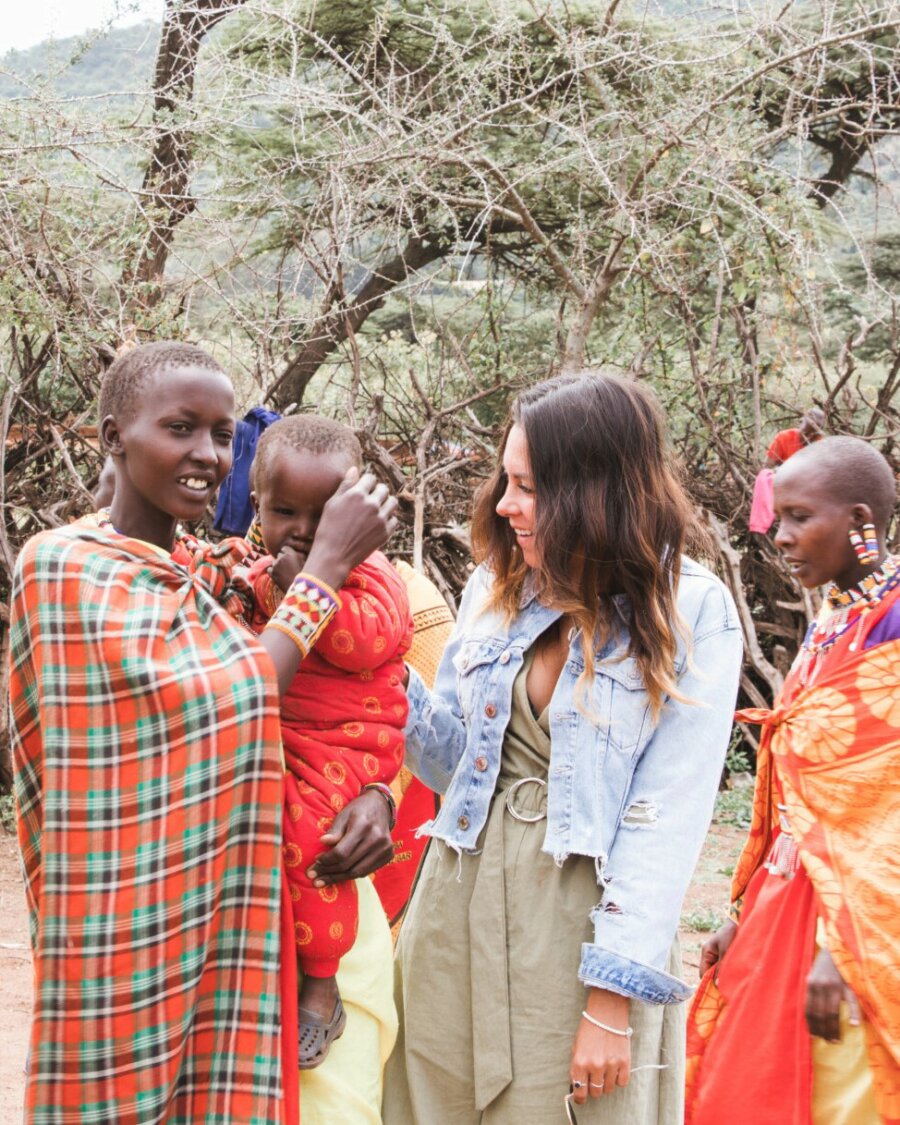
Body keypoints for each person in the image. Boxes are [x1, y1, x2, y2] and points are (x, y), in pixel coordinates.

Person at [9, 341, 399, 1124]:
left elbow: (376, 685)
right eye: (181, 427)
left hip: (259, 913)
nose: (207, 455)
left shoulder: (211, 568)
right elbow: (233, 702)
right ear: (114, 435)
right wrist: (323, 568)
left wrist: (378, 789)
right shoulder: (67, 567)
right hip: (125, 932)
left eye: (223, 434)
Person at [382, 370, 743, 1124]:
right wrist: (383, 665)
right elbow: (449, 766)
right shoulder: (496, 580)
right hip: (454, 907)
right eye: (506, 480)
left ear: (596, 491)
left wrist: (611, 1000)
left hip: (581, 927)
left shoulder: (693, 608)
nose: (505, 504)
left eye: (529, 487)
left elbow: (665, 816)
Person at [686, 436, 900, 1125]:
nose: (780, 537)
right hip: (789, 905)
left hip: (866, 917)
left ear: (861, 521)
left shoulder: (892, 627)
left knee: (839, 1096)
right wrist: (742, 913)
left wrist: (843, 951)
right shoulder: (834, 623)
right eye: (778, 519)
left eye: (799, 517)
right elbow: (802, 798)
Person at [243, 415, 414, 1069]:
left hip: (342, 756)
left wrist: (314, 577)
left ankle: (321, 979)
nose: (307, 530)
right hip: (284, 750)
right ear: (255, 505)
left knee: (316, 848)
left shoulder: (375, 578)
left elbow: (362, 640)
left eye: (325, 514)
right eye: (286, 510)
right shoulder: (254, 567)